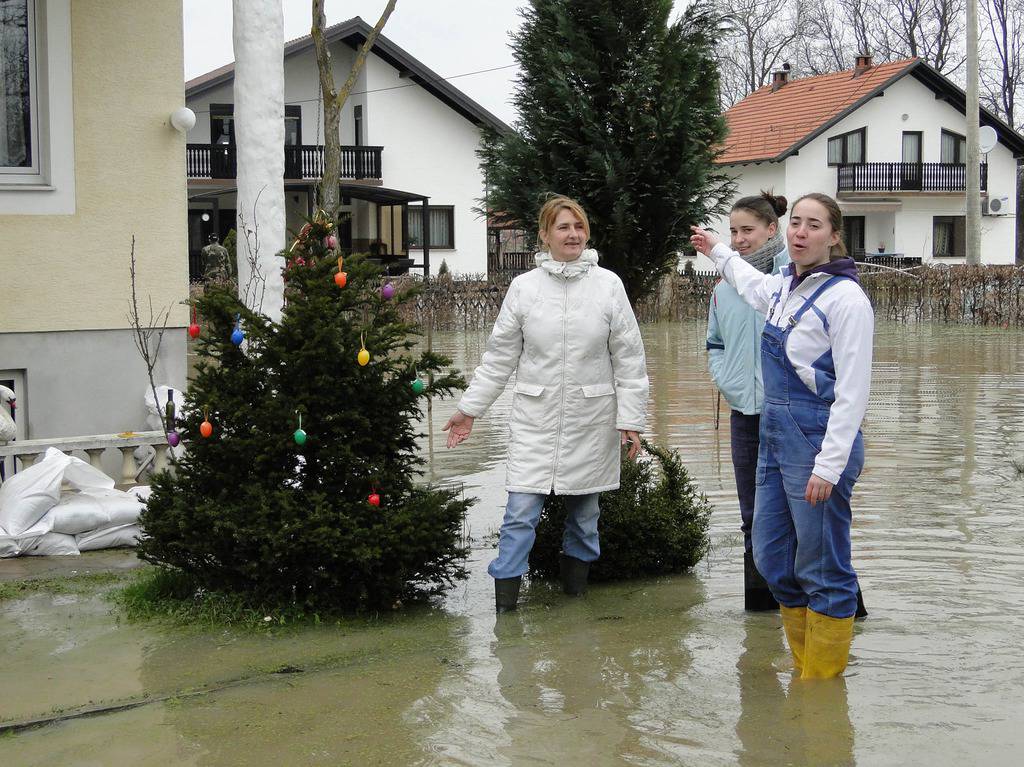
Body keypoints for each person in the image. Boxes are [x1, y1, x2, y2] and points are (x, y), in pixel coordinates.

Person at [690, 192, 873, 679]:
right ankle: (804, 669)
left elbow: (853, 392)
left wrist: (829, 465)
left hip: (817, 442)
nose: (800, 233)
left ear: (834, 235)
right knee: (772, 559)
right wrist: (716, 250)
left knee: (822, 570)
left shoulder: (846, 298)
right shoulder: (780, 289)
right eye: (795, 223)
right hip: (773, 437)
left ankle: (821, 690)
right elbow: (745, 281)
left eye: (813, 225)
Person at [444, 196, 649, 613]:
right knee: (519, 513)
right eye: (562, 227)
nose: (572, 234)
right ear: (544, 235)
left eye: (578, 226)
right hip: (535, 421)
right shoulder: (525, 288)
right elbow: (499, 357)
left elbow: (629, 358)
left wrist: (631, 419)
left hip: (592, 420)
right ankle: (506, 612)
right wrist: (469, 410)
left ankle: (575, 610)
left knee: (585, 517)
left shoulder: (609, 285)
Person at [705, 191, 791, 612]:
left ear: (771, 229)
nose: (738, 239)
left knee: (806, 516)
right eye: (733, 231)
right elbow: (714, 343)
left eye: (748, 231)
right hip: (745, 415)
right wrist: (729, 384)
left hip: (793, 416)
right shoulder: (722, 288)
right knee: (752, 517)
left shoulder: (795, 277)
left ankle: (830, 609)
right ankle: (759, 615)